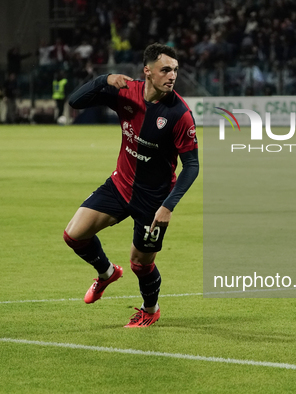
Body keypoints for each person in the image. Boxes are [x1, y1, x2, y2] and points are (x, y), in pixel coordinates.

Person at [64, 43, 199, 327]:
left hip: (153, 201)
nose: (172, 76)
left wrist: (167, 206)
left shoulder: (179, 114)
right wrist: (104, 80)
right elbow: (74, 101)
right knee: (74, 235)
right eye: (165, 70)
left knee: (141, 263)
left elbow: (192, 166)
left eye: (175, 70)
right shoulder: (127, 92)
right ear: (147, 71)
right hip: (120, 185)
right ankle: (106, 273)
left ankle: (150, 309)